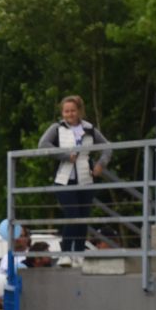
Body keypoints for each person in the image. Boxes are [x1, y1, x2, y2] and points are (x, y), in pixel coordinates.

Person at [37, 95, 111, 262]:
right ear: (62, 113)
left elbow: (108, 147)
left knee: (83, 218)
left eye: (72, 110)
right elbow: (43, 145)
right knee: (73, 215)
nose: (69, 114)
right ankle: (65, 253)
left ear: (79, 111)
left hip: (85, 179)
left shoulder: (89, 128)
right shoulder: (57, 128)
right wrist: (64, 155)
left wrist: (101, 164)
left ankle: (79, 253)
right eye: (66, 111)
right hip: (64, 179)